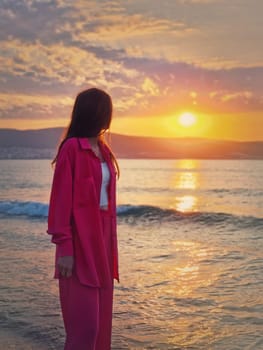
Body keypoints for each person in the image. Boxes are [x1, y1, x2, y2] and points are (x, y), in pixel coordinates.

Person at [47, 88, 119, 350]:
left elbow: (106, 206)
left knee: (101, 331)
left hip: (103, 242)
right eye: (103, 111)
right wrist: (64, 247)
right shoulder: (72, 149)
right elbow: (60, 202)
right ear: (91, 113)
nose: (106, 117)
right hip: (78, 244)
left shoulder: (104, 150)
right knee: (85, 331)